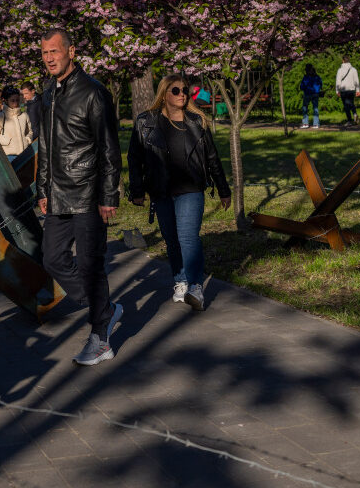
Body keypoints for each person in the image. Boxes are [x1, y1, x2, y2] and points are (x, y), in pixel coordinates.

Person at [36, 28, 123, 366]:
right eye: (44, 53)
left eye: (54, 51)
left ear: (71, 51)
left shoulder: (93, 93)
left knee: (90, 264)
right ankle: (106, 309)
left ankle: (100, 339)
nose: (49, 58)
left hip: (88, 193)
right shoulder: (48, 94)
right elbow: (45, 145)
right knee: (52, 259)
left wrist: (109, 194)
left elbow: (108, 149)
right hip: (57, 194)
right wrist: (43, 190)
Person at [128, 74, 231, 311]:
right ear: (164, 94)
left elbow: (212, 158)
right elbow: (134, 158)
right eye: (176, 90)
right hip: (160, 190)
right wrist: (137, 190)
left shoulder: (197, 122)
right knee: (172, 240)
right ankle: (180, 281)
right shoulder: (146, 121)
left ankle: (196, 286)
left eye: (185, 90)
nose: (182, 94)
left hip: (191, 189)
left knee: (188, 237)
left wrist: (224, 190)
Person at [0, 87, 33, 160]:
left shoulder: (24, 115)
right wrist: (7, 141)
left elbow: (29, 132)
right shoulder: (0, 116)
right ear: (6, 100)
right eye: (12, 100)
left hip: (24, 154)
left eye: (17, 100)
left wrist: (27, 140)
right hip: (9, 156)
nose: (15, 103)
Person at [335, 56, 360, 124]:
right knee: (351, 103)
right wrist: (358, 90)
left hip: (343, 90)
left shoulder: (340, 70)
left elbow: (338, 81)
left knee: (346, 105)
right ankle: (354, 114)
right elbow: (356, 81)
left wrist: (337, 90)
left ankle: (349, 120)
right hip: (352, 89)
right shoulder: (354, 69)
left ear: (343, 61)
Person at [300, 63, 323, 129]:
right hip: (315, 93)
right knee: (315, 108)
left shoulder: (306, 77)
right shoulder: (317, 76)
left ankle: (305, 123)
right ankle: (316, 124)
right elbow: (321, 84)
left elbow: (302, 86)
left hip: (307, 93)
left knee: (305, 108)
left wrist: (303, 88)